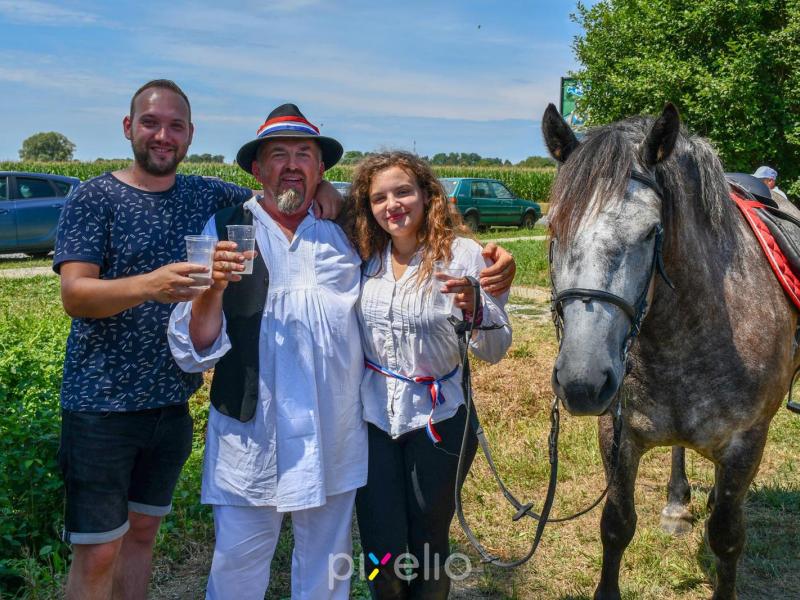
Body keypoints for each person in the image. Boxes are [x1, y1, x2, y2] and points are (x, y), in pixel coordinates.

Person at [167, 106, 517, 600]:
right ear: (256, 170)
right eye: (278, 155)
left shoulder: (350, 232)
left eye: (304, 155)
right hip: (256, 440)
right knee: (240, 569)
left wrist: (496, 270)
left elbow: (419, 244)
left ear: (320, 169)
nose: (292, 166)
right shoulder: (225, 230)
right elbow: (192, 350)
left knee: (355, 562)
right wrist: (212, 288)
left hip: (346, 432)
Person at [53, 82, 343, 600]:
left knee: (142, 536)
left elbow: (277, 197)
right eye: (151, 123)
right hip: (102, 400)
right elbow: (74, 294)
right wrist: (154, 285)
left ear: (189, 137)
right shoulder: (95, 194)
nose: (163, 136)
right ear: (128, 128)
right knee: (97, 549)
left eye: (176, 126)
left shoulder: (206, 196)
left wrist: (329, 190)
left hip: (170, 402)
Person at [350, 151, 512, 599]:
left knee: (428, 540)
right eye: (379, 197)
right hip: (373, 420)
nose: (392, 205)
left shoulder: (464, 256)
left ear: (427, 194)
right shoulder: (365, 254)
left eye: (403, 191)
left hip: (439, 421)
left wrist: (476, 308)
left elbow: (496, 349)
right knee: (381, 544)